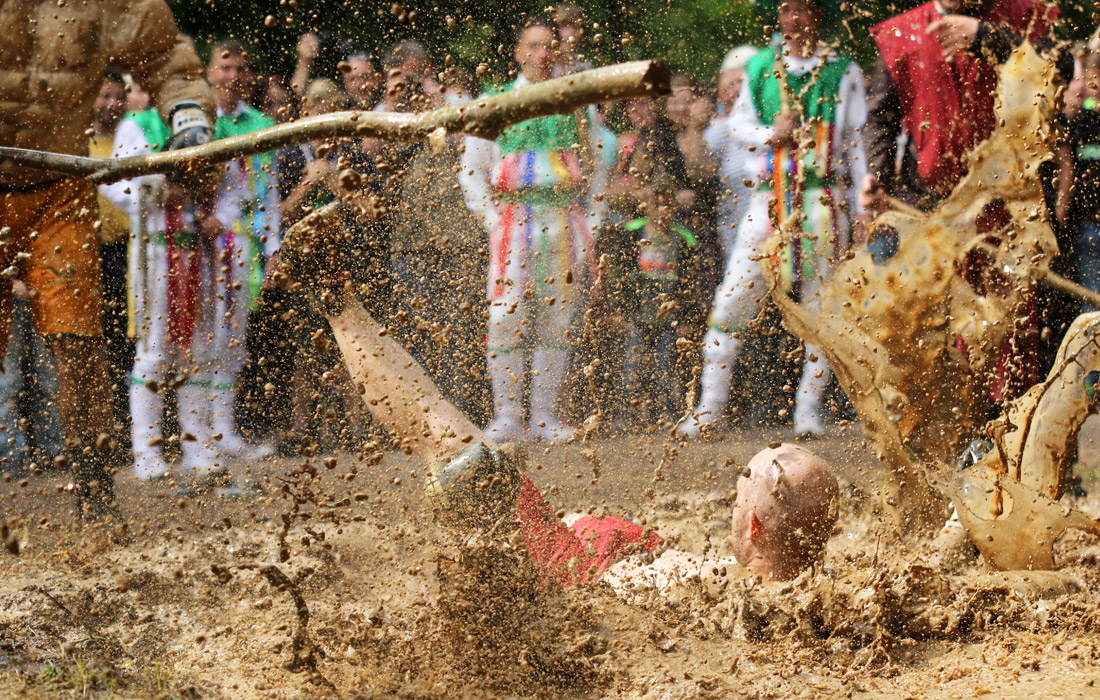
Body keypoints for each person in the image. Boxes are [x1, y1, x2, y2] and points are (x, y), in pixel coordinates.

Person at [0, 0, 214, 520]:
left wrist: (188, 118)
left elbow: (167, 57)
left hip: (59, 192)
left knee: (78, 348)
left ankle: (96, 503)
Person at [680, 0, 868, 439]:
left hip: (823, 201)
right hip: (767, 201)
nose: (794, 18)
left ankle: (808, 413)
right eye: (786, 9)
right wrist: (772, 134)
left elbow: (857, 144)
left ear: (818, 14)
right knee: (731, 301)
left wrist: (862, 204)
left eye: (803, 8)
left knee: (822, 310)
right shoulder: (761, 66)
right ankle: (709, 410)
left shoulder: (844, 71)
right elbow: (737, 127)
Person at [859, 0, 1063, 402]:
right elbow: (880, 118)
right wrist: (877, 174)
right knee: (936, 340)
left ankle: (1014, 427)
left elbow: (1060, 71)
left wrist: (988, 37)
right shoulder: (902, 33)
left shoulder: (1022, 15)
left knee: (1013, 339)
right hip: (933, 210)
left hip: (1012, 213)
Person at [459, 20, 600, 442]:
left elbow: (599, 167)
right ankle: (507, 418)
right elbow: (472, 171)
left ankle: (543, 418)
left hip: (564, 223)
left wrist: (591, 223)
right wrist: (492, 221)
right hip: (513, 222)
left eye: (549, 46)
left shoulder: (576, 102)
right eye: (534, 46)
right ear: (519, 52)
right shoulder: (495, 102)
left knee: (558, 319)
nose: (543, 54)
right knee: (505, 316)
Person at [201, 40, 281, 462]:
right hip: (196, 243)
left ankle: (224, 430)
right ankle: (193, 437)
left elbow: (268, 191)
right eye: (225, 67)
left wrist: (274, 247)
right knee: (198, 337)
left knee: (232, 338)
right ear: (210, 72)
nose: (233, 76)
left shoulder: (262, 124)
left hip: (242, 245)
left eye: (241, 69)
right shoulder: (197, 117)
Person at [90, 67, 137, 444]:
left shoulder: (132, 135)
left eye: (118, 97)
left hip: (127, 252)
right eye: (105, 95)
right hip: (86, 255)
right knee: (94, 342)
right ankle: (97, 431)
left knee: (125, 342)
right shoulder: (77, 141)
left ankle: (125, 430)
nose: (112, 103)